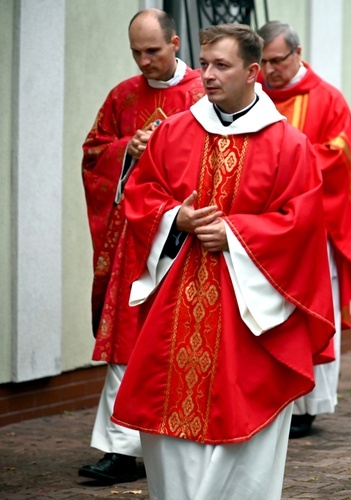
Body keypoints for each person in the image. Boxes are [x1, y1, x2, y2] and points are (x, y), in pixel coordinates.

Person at [110, 24, 335, 499]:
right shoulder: (175, 132)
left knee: (245, 412)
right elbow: (141, 194)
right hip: (177, 301)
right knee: (165, 413)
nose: (207, 75)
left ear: (253, 72)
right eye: (205, 63)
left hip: (249, 308)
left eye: (221, 66)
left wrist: (235, 233)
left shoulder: (287, 144)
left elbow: (302, 223)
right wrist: (177, 218)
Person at [79, 8, 204, 484]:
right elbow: (94, 152)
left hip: (177, 237)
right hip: (133, 236)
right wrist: (127, 147)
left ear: (175, 43)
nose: (144, 61)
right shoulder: (123, 95)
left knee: (172, 342)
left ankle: (172, 439)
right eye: (136, 52)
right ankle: (119, 448)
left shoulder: (201, 93)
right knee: (124, 342)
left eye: (153, 50)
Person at [257, 21, 351, 439]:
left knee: (313, 310)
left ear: (298, 54)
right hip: (267, 229)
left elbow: (338, 159)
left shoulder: (327, 100)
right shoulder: (256, 98)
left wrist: (280, 170)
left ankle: (309, 407)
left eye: (278, 60)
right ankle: (273, 395)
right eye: (263, 62)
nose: (270, 70)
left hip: (313, 228)